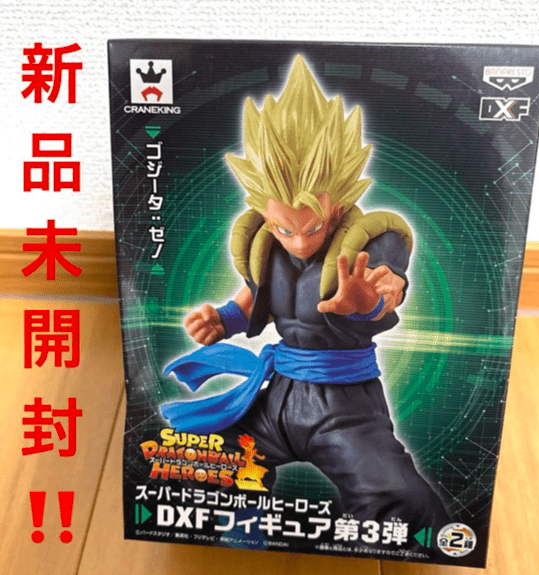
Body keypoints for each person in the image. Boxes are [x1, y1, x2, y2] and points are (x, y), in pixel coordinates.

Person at [162, 55, 448, 544]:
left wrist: (368, 302)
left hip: (346, 408)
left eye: (311, 228)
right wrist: (223, 319)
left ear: (336, 206)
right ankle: (245, 536)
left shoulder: (369, 244)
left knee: (400, 499)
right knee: (201, 461)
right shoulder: (265, 246)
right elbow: (257, 297)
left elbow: (388, 288)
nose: (297, 242)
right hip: (278, 398)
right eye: (283, 228)